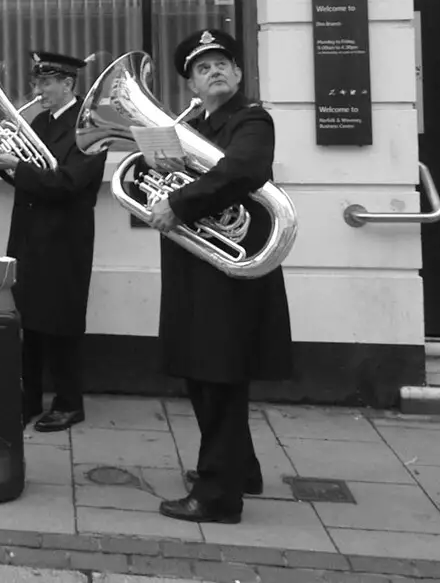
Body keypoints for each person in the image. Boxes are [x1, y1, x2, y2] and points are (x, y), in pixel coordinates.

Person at [147, 28, 293, 525]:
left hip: (229, 272)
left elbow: (243, 171)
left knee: (219, 379)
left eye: (222, 64)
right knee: (206, 375)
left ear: (238, 73)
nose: (214, 72)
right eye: (202, 67)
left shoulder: (251, 120)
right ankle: (240, 470)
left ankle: (217, 496)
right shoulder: (194, 129)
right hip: (198, 267)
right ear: (191, 83)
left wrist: (179, 201)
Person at [0, 51, 106, 433]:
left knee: (62, 322)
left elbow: (68, 182)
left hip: (65, 235)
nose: (38, 90)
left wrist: (17, 166)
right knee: (30, 320)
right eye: (38, 82)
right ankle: (29, 397)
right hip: (29, 232)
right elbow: (25, 177)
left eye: (45, 83)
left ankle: (70, 403)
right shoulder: (39, 120)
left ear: (68, 84)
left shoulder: (91, 127)